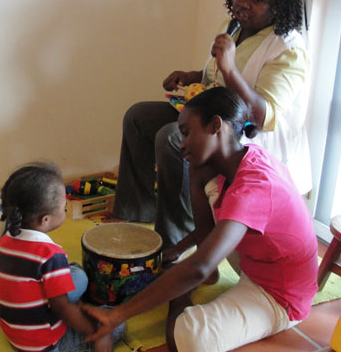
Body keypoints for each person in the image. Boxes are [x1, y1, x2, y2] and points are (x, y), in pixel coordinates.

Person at [83, 87, 318, 352]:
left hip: (280, 295)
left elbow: (201, 265)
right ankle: (185, 281)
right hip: (257, 260)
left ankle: (181, 295)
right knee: (211, 189)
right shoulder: (240, 158)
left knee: (187, 338)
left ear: (216, 125)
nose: (181, 143)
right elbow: (213, 235)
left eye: (186, 132)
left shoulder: (253, 187)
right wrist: (182, 245)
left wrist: (118, 314)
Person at [111, 0, 311, 250]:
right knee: (139, 117)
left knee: (171, 137)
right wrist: (192, 76)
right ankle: (138, 212)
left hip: (249, 139)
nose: (243, 2)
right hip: (211, 118)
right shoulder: (234, 26)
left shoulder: (289, 48)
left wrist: (229, 67)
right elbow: (214, 76)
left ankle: (177, 242)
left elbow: (262, 116)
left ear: (278, 7)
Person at [0, 163, 125, 352]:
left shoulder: (3, 242)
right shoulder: (51, 255)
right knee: (116, 324)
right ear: (45, 219)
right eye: (63, 207)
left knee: (75, 274)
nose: (65, 210)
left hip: (15, 336)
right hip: (46, 346)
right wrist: (97, 332)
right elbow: (61, 308)